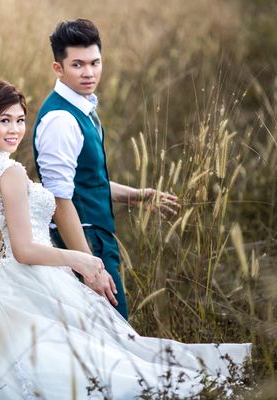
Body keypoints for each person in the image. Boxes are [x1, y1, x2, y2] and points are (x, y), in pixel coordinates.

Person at [0, 80, 250, 399]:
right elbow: (24, 250)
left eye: (20, 120)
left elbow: (61, 190)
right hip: (34, 282)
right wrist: (82, 259)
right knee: (93, 370)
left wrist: (133, 195)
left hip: (7, 286)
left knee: (38, 376)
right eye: (4, 120)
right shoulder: (8, 172)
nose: (15, 130)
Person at [33, 19, 180, 321]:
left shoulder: (82, 107)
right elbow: (59, 201)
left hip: (96, 240)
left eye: (95, 62)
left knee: (108, 339)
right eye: (77, 64)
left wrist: (137, 196)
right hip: (83, 243)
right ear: (58, 68)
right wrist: (88, 265)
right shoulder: (61, 119)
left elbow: (85, 183)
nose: (89, 72)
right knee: (111, 336)